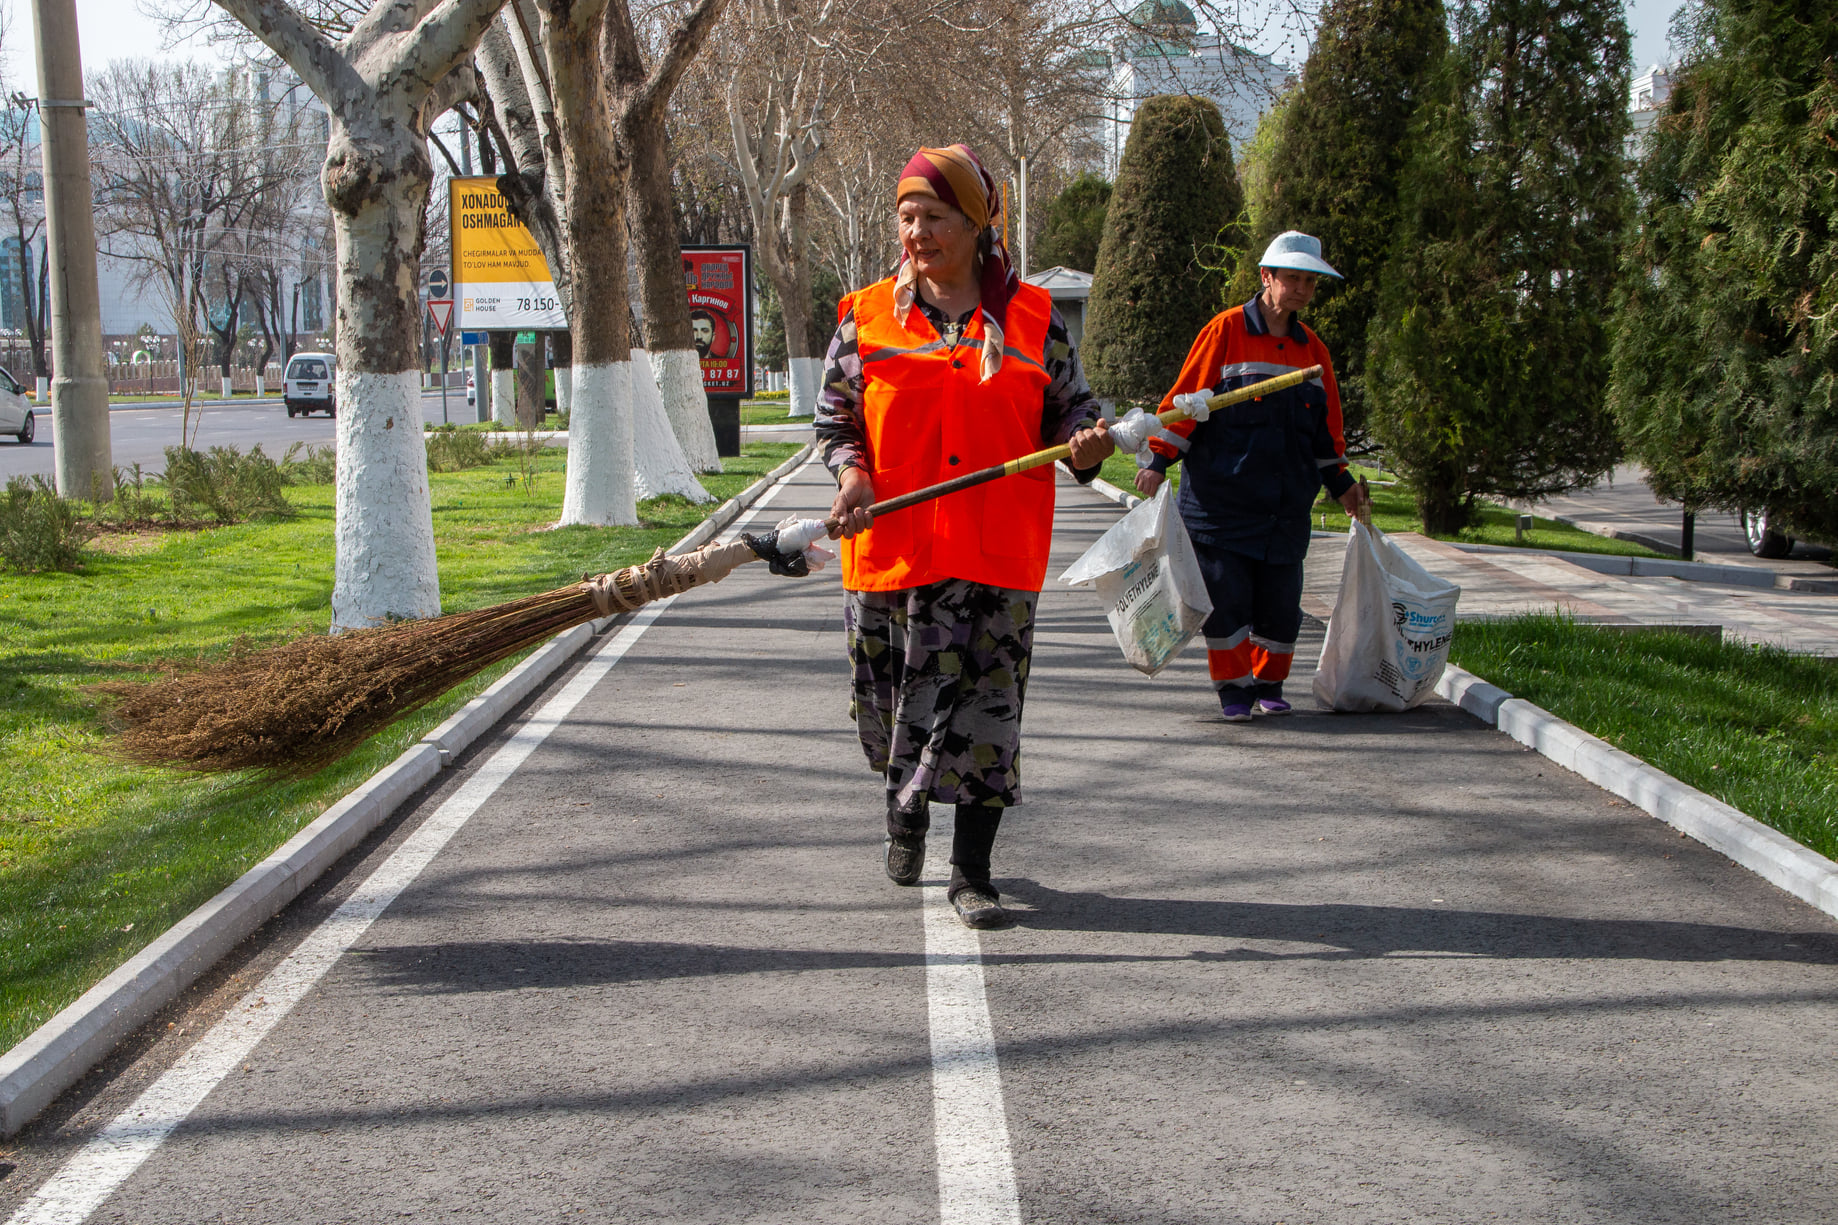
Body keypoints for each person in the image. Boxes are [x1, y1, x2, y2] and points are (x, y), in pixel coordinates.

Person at [816, 144, 1115, 929]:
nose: (916, 232)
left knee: (988, 715)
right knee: (892, 714)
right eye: (907, 217)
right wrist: (852, 475)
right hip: (894, 555)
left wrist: (1088, 443)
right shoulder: (866, 316)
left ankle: (972, 872)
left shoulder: (1034, 319)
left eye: (934, 217)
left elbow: (1075, 414)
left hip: (995, 557)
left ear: (976, 224)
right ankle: (905, 812)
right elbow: (836, 419)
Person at [1135, 231, 1369, 721]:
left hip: (1285, 509)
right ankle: (1234, 691)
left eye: (1310, 281)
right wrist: (1157, 460)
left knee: (1281, 607)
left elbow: (1326, 436)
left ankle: (1271, 684)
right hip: (1221, 506)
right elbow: (1184, 404)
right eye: (1293, 278)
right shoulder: (1224, 332)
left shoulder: (1314, 352)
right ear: (1267, 277)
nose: (1302, 289)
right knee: (1228, 603)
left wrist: (1344, 486)